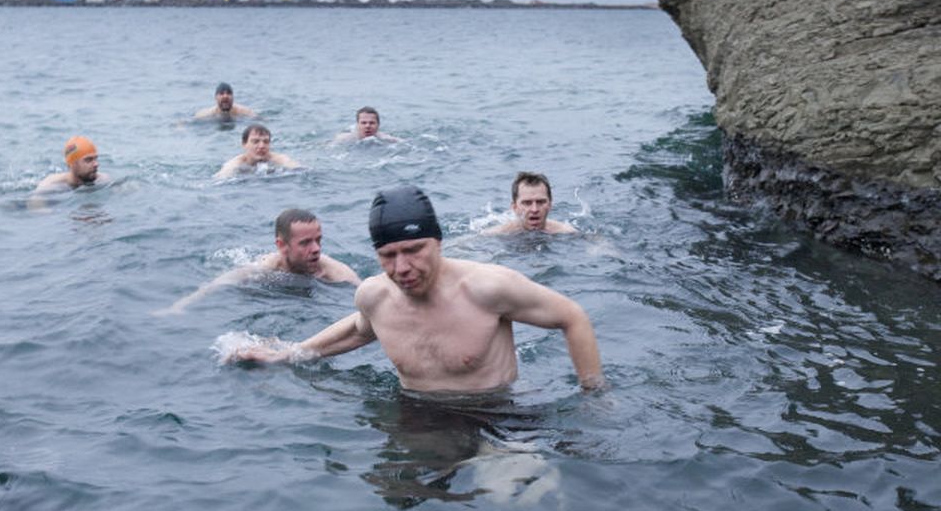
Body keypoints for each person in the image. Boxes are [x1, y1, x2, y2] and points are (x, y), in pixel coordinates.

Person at [230, 185, 605, 393]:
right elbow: (358, 330)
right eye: (389, 255)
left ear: (438, 243)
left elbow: (572, 316)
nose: (402, 267)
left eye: (414, 250)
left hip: (494, 417)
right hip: (413, 415)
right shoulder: (374, 295)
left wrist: (595, 395)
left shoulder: (488, 287)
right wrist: (288, 354)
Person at [160, 209, 360, 314]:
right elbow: (217, 284)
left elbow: (365, 293)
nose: (316, 249)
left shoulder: (335, 273)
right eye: (306, 243)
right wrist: (178, 306)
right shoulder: (265, 269)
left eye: (318, 240)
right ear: (282, 245)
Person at [483, 172, 578, 235]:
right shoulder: (497, 234)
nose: (535, 209)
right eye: (527, 203)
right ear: (514, 207)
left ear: (550, 205)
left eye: (541, 202)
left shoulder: (565, 232)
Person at [215, 124, 301, 178]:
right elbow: (221, 179)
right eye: (255, 142)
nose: (261, 146)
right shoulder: (234, 164)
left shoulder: (279, 159)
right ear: (244, 144)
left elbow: (299, 170)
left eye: (266, 142)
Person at [33, 135, 111, 194]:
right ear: (72, 164)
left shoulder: (103, 179)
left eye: (95, 158)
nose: (96, 164)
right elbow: (35, 202)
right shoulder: (49, 185)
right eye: (88, 160)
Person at [333, 106, 400, 143]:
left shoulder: (386, 139)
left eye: (372, 123)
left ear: (378, 125)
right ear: (357, 125)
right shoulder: (343, 138)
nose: (367, 126)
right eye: (363, 123)